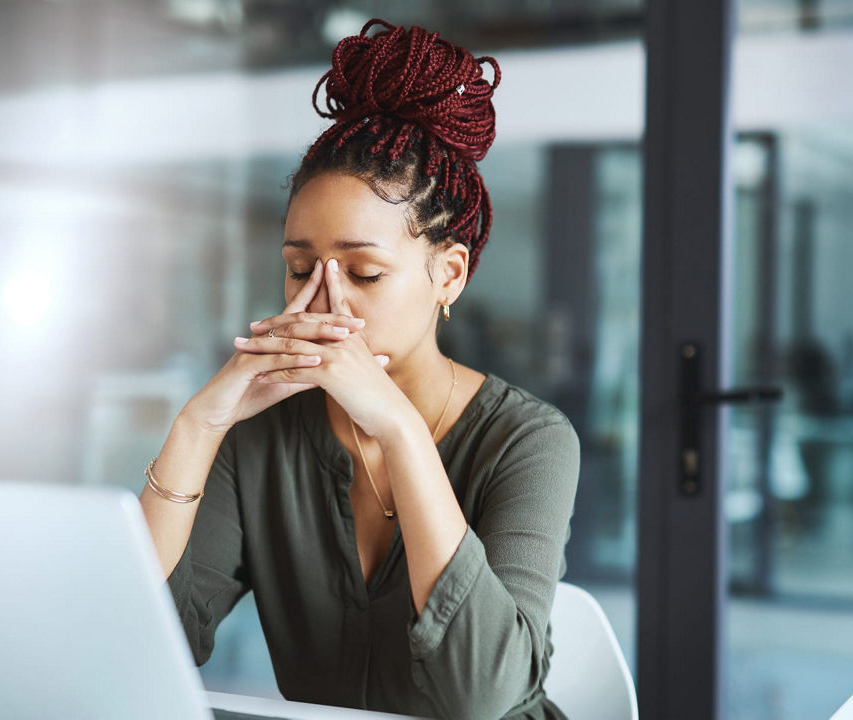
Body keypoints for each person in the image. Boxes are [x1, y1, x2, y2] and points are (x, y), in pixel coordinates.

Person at [137, 18, 580, 720]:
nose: (323, 301)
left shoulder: (529, 440)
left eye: (366, 273)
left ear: (449, 274)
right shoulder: (261, 435)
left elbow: (487, 696)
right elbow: (146, 643)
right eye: (299, 269)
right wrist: (197, 427)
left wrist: (399, 430)